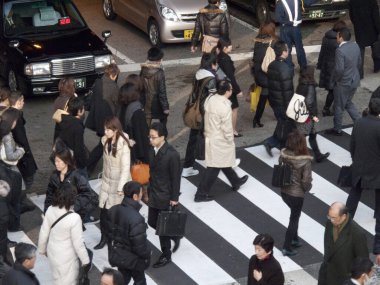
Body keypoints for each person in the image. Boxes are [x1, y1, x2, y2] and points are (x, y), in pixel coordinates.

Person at [194, 81, 248, 202]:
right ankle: (201, 194)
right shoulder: (224, 106)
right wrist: (230, 140)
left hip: (210, 135)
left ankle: (236, 181)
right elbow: (227, 127)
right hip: (219, 139)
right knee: (214, 167)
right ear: (227, 91)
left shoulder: (211, 99)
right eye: (231, 89)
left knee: (222, 162)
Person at [346, 98, 380, 266]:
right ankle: (378, 243)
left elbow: (352, 145)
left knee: (354, 195)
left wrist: (355, 160)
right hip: (377, 169)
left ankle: (344, 225)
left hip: (360, 166)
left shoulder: (358, 122)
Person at [38, 183, 90, 285]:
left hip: (52, 251)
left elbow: (44, 232)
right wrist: (85, 260)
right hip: (67, 257)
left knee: (57, 277)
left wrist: (42, 249)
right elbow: (78, 243)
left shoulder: (50, 209)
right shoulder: (74, 218)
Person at [94, 116, 132, 250]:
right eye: (105, 129)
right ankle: (104, 238)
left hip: (118, 186)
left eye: (108, 130)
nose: (106, 132)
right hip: (106, 182)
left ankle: (119, 240)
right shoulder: (105, 141)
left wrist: (121, 188)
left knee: (117, 217)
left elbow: (125, 168)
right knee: (104, 214)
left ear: (116, 130)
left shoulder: (123, 144)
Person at [147, 122, 181, 268]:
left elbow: (176, 177)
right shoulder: (152, 150)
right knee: (152, 222)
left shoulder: (172, 154)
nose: (151, 140)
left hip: (165, 196)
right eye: (150, 137)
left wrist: (174, 198)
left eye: (153, 137)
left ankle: (166, 255)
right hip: (154, 192)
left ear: (163, 137)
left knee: (161, 227)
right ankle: (174, 235)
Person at [106, 181, 151, 285]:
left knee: (122, 279)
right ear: (135, 196)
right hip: (133, 258)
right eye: (141, 193)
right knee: (140, 281)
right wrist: (147, 254)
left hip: (119, 255)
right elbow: (139, 246)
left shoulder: (113, 209)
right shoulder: (136, 218)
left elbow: (108, 232)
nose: (142, 195)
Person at [182, 53, 217, 178]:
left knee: (193, 139)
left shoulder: (198, 74)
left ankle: (187, 166)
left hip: (196, 112)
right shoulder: (211, 79)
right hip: (205, 113)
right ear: (213, 64)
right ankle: (218, 163)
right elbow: (212, 98)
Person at [318, 202, 369, 285]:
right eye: (329, 217)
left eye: (334, 218)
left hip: (344, 279)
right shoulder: (330, 223)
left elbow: (363, 261)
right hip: (326, 275)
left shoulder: (357, 233)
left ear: (344, 216)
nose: (331, 220)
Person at [279, 130, 312, 256]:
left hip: (284, 191)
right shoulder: (305, 161)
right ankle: (287, 246)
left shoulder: (284, 155)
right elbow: (306, 181)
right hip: (297, 194)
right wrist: (306, 189)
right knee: (294, 218)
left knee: (294, 214)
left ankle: (295, 239)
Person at [44, 147, 97, 222]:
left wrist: (72, 208)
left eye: (59, 161)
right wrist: (47, 212)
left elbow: (88, 194)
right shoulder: (54, 176)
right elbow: (49, 195)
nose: (56, 164)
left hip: (72, 215)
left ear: (66, 161)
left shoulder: (77, 176)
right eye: (55, 161)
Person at [325, 27, 361, 136]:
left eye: (337, 36)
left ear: (341, 37)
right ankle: (359, 122)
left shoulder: (340, 51)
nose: (336, 37)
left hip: (343, 83)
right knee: (348, 102)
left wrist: (337, 80)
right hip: (354, 80)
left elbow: (339, 70)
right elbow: (359, 63)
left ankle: (337, 129)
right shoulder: (356, 46)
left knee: (339, 106)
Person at [86, 63, 120, 175]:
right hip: (107, 121)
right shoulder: (113, 87)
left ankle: (90, 166)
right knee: (103, 145)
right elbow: (117, 105)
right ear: (114, 75)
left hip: (98, 118)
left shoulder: (98, 82)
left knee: (104, 144)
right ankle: (88, 167)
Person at [264, 40, 294, 157]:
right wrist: (289, 108)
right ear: (283, 52)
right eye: (287, 49)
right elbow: (287, 91)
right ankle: (272, 143)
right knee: (286, 125)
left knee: (282, 124)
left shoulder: (272, 65)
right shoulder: (285, 68)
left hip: (274, 101)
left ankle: (281, 147)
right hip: (283, 103)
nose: (289, 50)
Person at [8, 91, 37, 213]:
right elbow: (21, 138)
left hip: (14, 151)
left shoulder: (8, 113)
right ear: (18, 101)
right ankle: (18, 201)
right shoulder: (17, 117)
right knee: (28, 178)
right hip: (20, 153)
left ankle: (20, 199)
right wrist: (26, 151)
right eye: (22, 100)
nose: (24, 103)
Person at [295, 66, 329, 162]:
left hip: (301, 114)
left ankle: (317, 155)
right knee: (307, 135)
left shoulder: (301, 83)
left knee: (311, 134)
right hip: (308, 116)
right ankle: (305, 156)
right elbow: (309, 103)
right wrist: (314, 117)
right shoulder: (309, 86)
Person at [0, 107, 24, 232]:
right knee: (14, 199)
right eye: (15, 120)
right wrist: (21, 150)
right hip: (10, 171)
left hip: (2, 170)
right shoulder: (7, 136)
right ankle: (14, 226)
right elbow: (10, 156)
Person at [317, 20, 347, 117]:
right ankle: (327, 109)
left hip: (326, 67)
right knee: (334, 90)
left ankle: (327, 108)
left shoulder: (326, 37)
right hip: (334, 69)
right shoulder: (338, 42)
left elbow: (322, 52)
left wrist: (319, 65)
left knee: (332, 90)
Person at [252, 21, 277, 128]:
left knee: (268, 95)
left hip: (258, 73)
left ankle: (257, 119)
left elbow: (255, 58)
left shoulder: (257, 41)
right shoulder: (274, 42)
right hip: (268, 73)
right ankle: (257, 119)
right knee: (268, 96)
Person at [216, 38, 243, 137]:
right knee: (234, 108)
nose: (232, 46)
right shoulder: (225, 59)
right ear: (224, 48)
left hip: (219, 86)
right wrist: (238, 90)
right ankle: (232, 131)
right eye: (230, 45)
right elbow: (231, 76)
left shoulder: (218, 57)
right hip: (228, 87)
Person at [140, 47, 169, 136]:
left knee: (147, 122)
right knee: (163, 120)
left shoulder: (143, 70)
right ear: (159, 59)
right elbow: (162, 92)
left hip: (146, 102)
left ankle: (146, 139)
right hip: (157, 103)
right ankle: (162, 137)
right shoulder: (159, 72)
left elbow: (140, 87)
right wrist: (165, 108)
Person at [118, 83, 150, 164]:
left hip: (130, 145)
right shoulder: (136, 111)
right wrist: (141, 155)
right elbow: (141, 134)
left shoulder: (124, 107)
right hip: (139, 149)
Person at [348, 0, 380, 77]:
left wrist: (356, 24)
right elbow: (376, 16)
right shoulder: (372, 1)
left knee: (360, 51)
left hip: (359, 28)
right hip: (372, 28)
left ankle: (360, 73)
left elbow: (351, 16)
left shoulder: (352, 1)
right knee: (375, 49)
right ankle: (377, 67)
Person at [58, 97, 88, 176]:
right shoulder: (77, 126)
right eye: (83, 108)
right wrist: (82, 163)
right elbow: (78, 147)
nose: (84, 110)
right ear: (79, 111)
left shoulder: (64, 120)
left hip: (66, 157)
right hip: (74, 160)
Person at [275, 0, 307, 71]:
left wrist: (288, 22)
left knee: (287, 48)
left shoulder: (280, 2)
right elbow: (308, 3)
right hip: (296, 28)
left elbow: (278, 18)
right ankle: (303, 67)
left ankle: (289, 68)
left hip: (285, 29)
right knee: (299, 48)